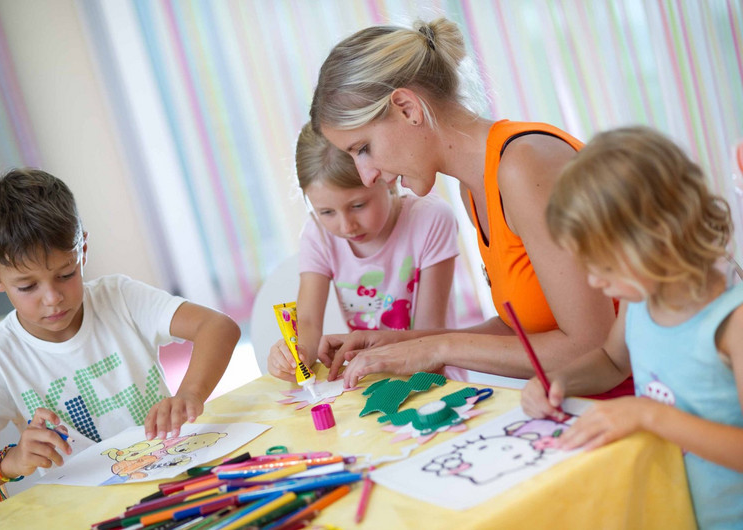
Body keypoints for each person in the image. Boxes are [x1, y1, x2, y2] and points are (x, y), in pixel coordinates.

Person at [309, 17, 622, 390]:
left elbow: (594, 350)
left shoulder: (526, 166)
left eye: (363, 149)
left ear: (407, 107)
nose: (367, 176)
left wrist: (440, 347)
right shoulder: (473, 189)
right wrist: (401, 344)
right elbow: (525, 329)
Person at [0, 169, 241, 496]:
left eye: (66, 274)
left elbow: (218, 327)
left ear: (82, 248)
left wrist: (189, 394)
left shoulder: (120, 297)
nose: (52, 298)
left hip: (163, 482)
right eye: (27, 286)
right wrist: (13, 460)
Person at [520, 126, 743, 528]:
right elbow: (611, 361)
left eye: (602, 266)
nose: (592, 282)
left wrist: (648, 415)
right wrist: (558, 381)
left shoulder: (733, 323)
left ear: (656, 238)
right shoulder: (641, 302)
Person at [267, 123, 459, 381]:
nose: (346, 226)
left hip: (433, 379)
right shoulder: (318, 234)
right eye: (326, 212)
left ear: (384, 178)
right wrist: (296, 354)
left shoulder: (430, 219)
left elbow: (428, 335)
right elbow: (309, 321)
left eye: (358, 205)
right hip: (370, 378)